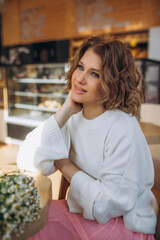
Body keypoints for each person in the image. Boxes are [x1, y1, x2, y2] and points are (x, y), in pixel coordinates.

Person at [17, 36, 158, 240]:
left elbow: (106, 205)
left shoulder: (122, 127)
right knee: (20, 226)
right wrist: (64, 111)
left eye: (94, 74)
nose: (80, 79)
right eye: (80, 67)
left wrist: (64, 165)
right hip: (84, 215)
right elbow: (27, 162)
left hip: (124, 226)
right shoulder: (73, 119)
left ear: (112, 82)